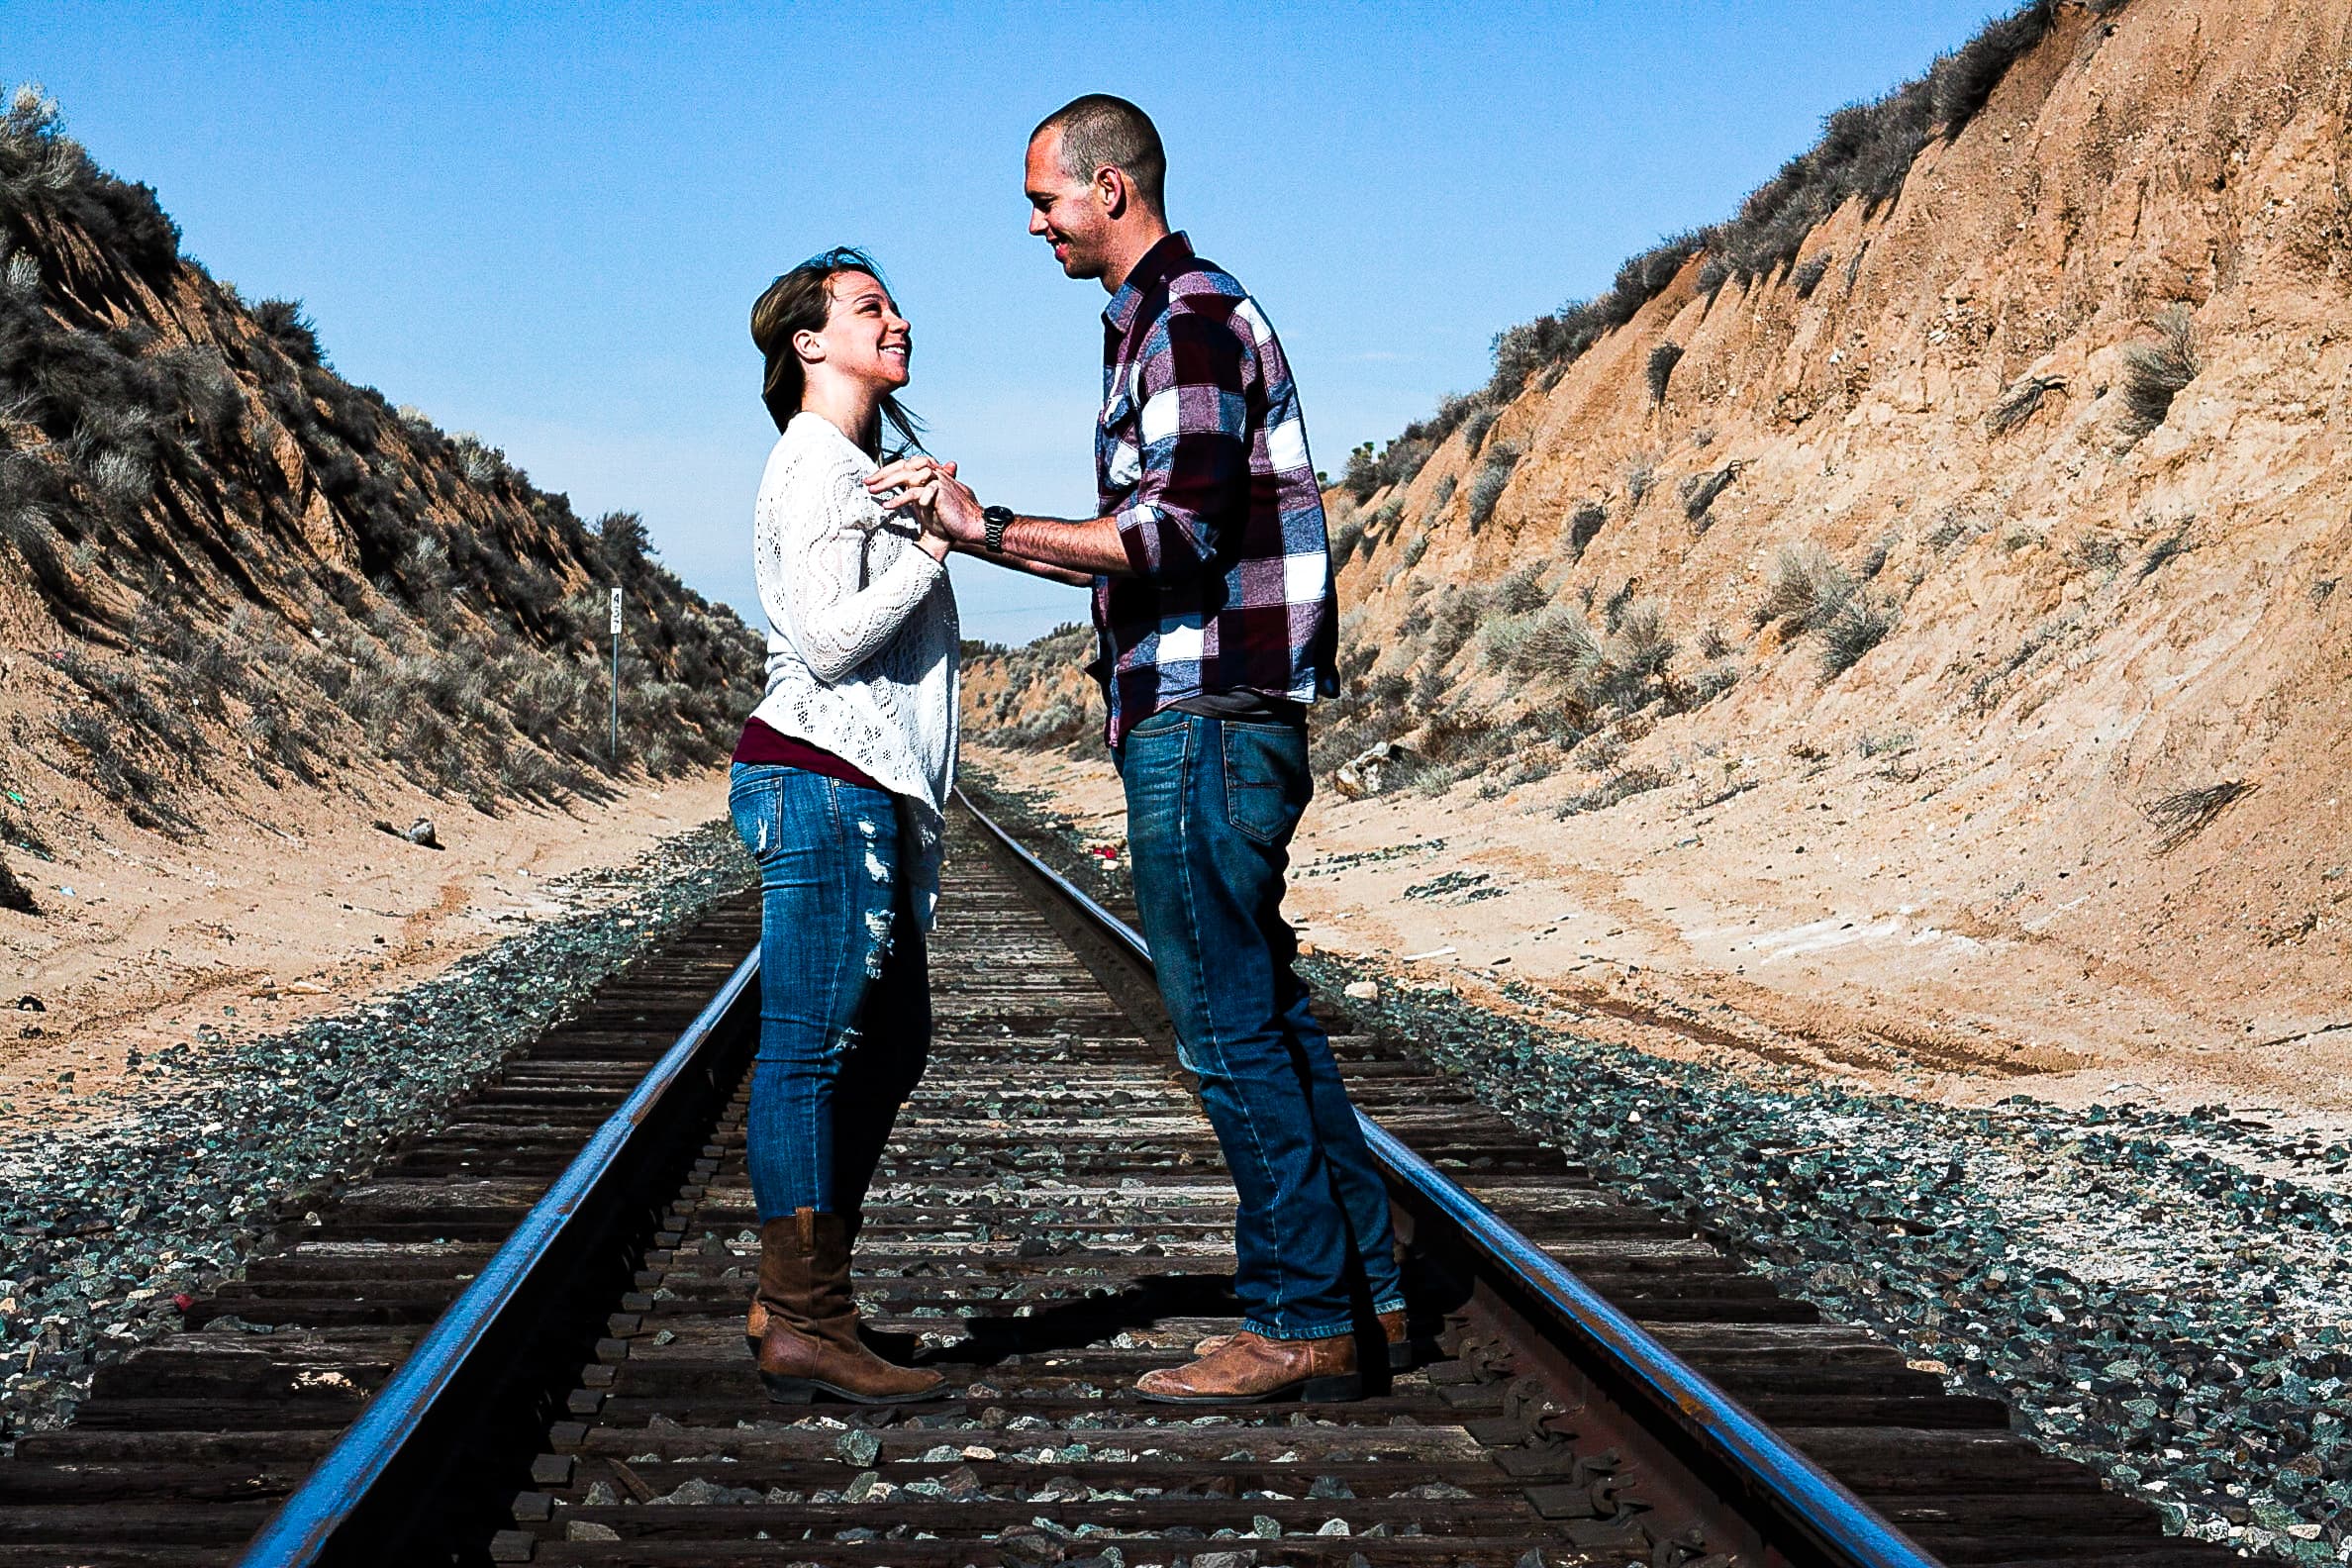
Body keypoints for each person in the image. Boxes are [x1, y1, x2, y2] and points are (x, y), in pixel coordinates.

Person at [872, 95, 1407, 1403]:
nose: (1035, 224)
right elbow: (1142, 564)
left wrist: (982, 521)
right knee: (1262, 1007)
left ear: (1112, 188)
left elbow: (1173, 540)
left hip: (1208, 715)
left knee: (1224, 1026)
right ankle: (1369, 1286)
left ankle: (1298, 1318)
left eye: (1045, 199)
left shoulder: (1190, 318)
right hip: (1204, 707)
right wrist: (987, 533)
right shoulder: (1153, 329)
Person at [732, 247, 958, 1404]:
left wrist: (922, 512)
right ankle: (809, 1314)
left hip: (852, 779)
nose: (899, 319)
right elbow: (826, 642)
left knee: (893, 1036)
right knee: (814, 1047)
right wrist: (931, 546)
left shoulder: (860, 463)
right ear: (810, 342)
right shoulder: (815, 460)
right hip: (818, 775)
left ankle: (803, 1292)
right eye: (872, 309)